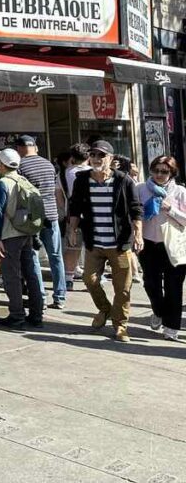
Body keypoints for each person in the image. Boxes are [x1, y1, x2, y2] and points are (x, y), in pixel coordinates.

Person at [67, 140, 143, 343]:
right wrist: (72, 229)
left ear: (111, 159)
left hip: (119, 244)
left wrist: (138, 234)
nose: (96, 159)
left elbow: (136, 209)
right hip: (95, 242)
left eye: (101, 155)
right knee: (89, 280)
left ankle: (120, 326)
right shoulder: (82, 179)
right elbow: (74, 207)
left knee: (123, 288)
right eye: (93, 155)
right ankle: (105, 309)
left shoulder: (123, 180)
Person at [0, 149, 45, 330]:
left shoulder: (3, 183)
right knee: (30, 273)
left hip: (10, 235)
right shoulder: (23, 180)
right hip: (27, 233)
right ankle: (37, 315)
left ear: (1, 164)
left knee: (11, 276)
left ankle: (16, 315)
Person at [136, 156, 186, 341]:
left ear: (172, 173)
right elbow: (134, 214)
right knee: (151, 283)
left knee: (174, 287)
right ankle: (158, 311)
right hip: (148, 244)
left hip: (174, 244)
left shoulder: (180, 192)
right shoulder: (141, 189)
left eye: (164, 172)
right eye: (156, 170)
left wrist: (170, 209)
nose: (159, 175)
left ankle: (171, 327)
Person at [15, 136, 65, 310]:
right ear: (34, 147)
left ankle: (40, 297)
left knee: (33, 257)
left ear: (20, 148)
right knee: (56, 256)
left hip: (33, 217)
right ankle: (60, 296)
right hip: (51, 214)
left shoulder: (20, 167)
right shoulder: (48, 164)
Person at [58, 143, 91, 290]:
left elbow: (58, 195)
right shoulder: (93, 172)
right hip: (92, 214)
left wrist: (65, 209)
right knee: (94, 248)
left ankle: (68, 279)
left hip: (71, 214)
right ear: (88, 156)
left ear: (72, 157)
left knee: (72, 247)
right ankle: (94, 277)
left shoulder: (63, 174)